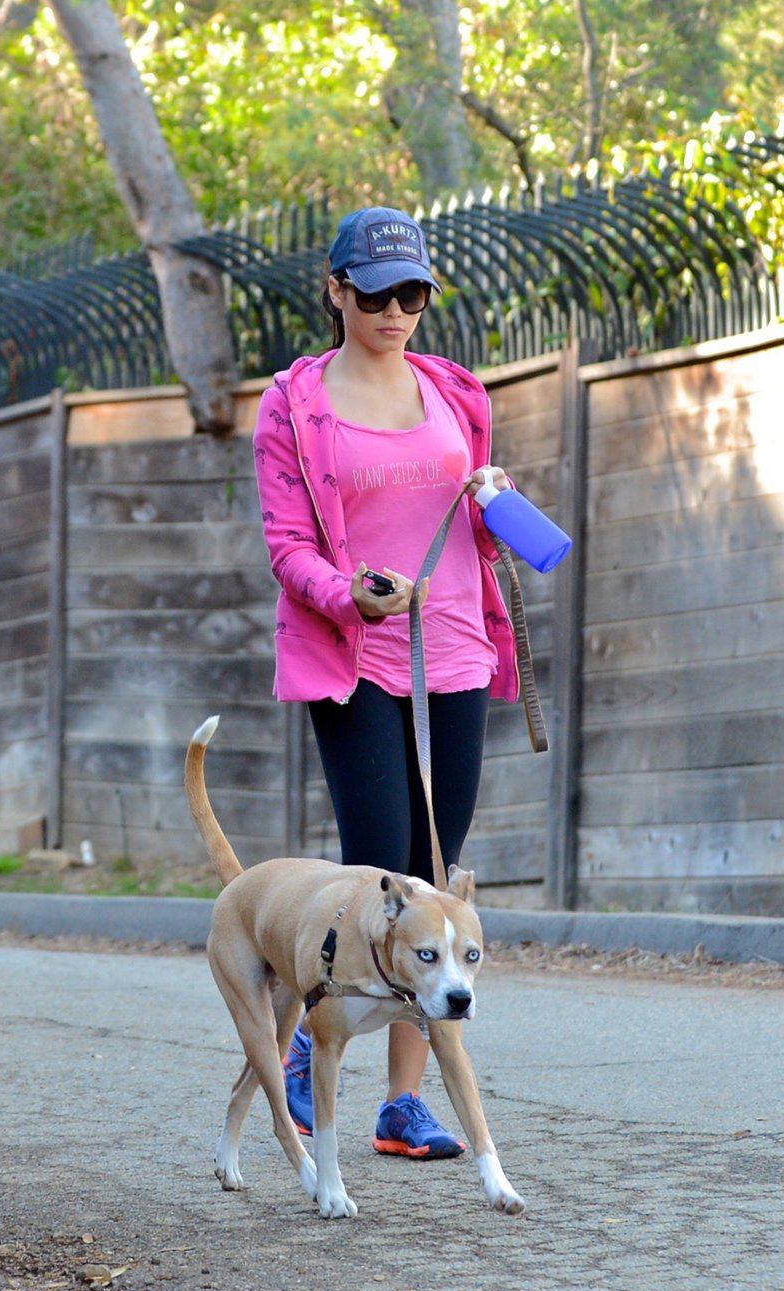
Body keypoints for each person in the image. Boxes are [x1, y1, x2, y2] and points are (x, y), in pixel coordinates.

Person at [250, 206, 522, 1160]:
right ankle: (299, 1051)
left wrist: (496, 503)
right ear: (336, 292)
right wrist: (348, 595)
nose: (397, 311)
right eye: (376, 294)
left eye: (413, 293)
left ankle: (403, 1105)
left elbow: (463, 514)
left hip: (456, 650)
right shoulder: (293, 403)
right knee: (380, 880)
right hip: (357, 657)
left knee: (439, 887)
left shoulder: (454, 390)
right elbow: (286, 544)